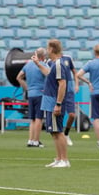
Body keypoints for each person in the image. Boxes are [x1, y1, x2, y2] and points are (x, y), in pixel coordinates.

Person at [39, 39, 70, 168]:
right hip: (49, 101)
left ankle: (64, 160)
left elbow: (62, 83)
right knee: (53, 132)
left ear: (51, 49)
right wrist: (37, 63)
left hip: (53, 101)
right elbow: (48, 74)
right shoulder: (53, 64)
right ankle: (58, 158)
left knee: (58, 131)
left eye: (48, 48)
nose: (46, 50)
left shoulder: (58, 64)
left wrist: (58, 103)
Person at [16, 47, 47, 148]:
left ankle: (30, 140)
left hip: (31, 94)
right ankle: (36, 141)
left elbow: (19, 77)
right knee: (39, 118)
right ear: (43, 56)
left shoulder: (28, 65)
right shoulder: (43, 65)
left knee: (32, 119)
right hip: (40, 93)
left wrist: (27, 88)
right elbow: (49, 74)